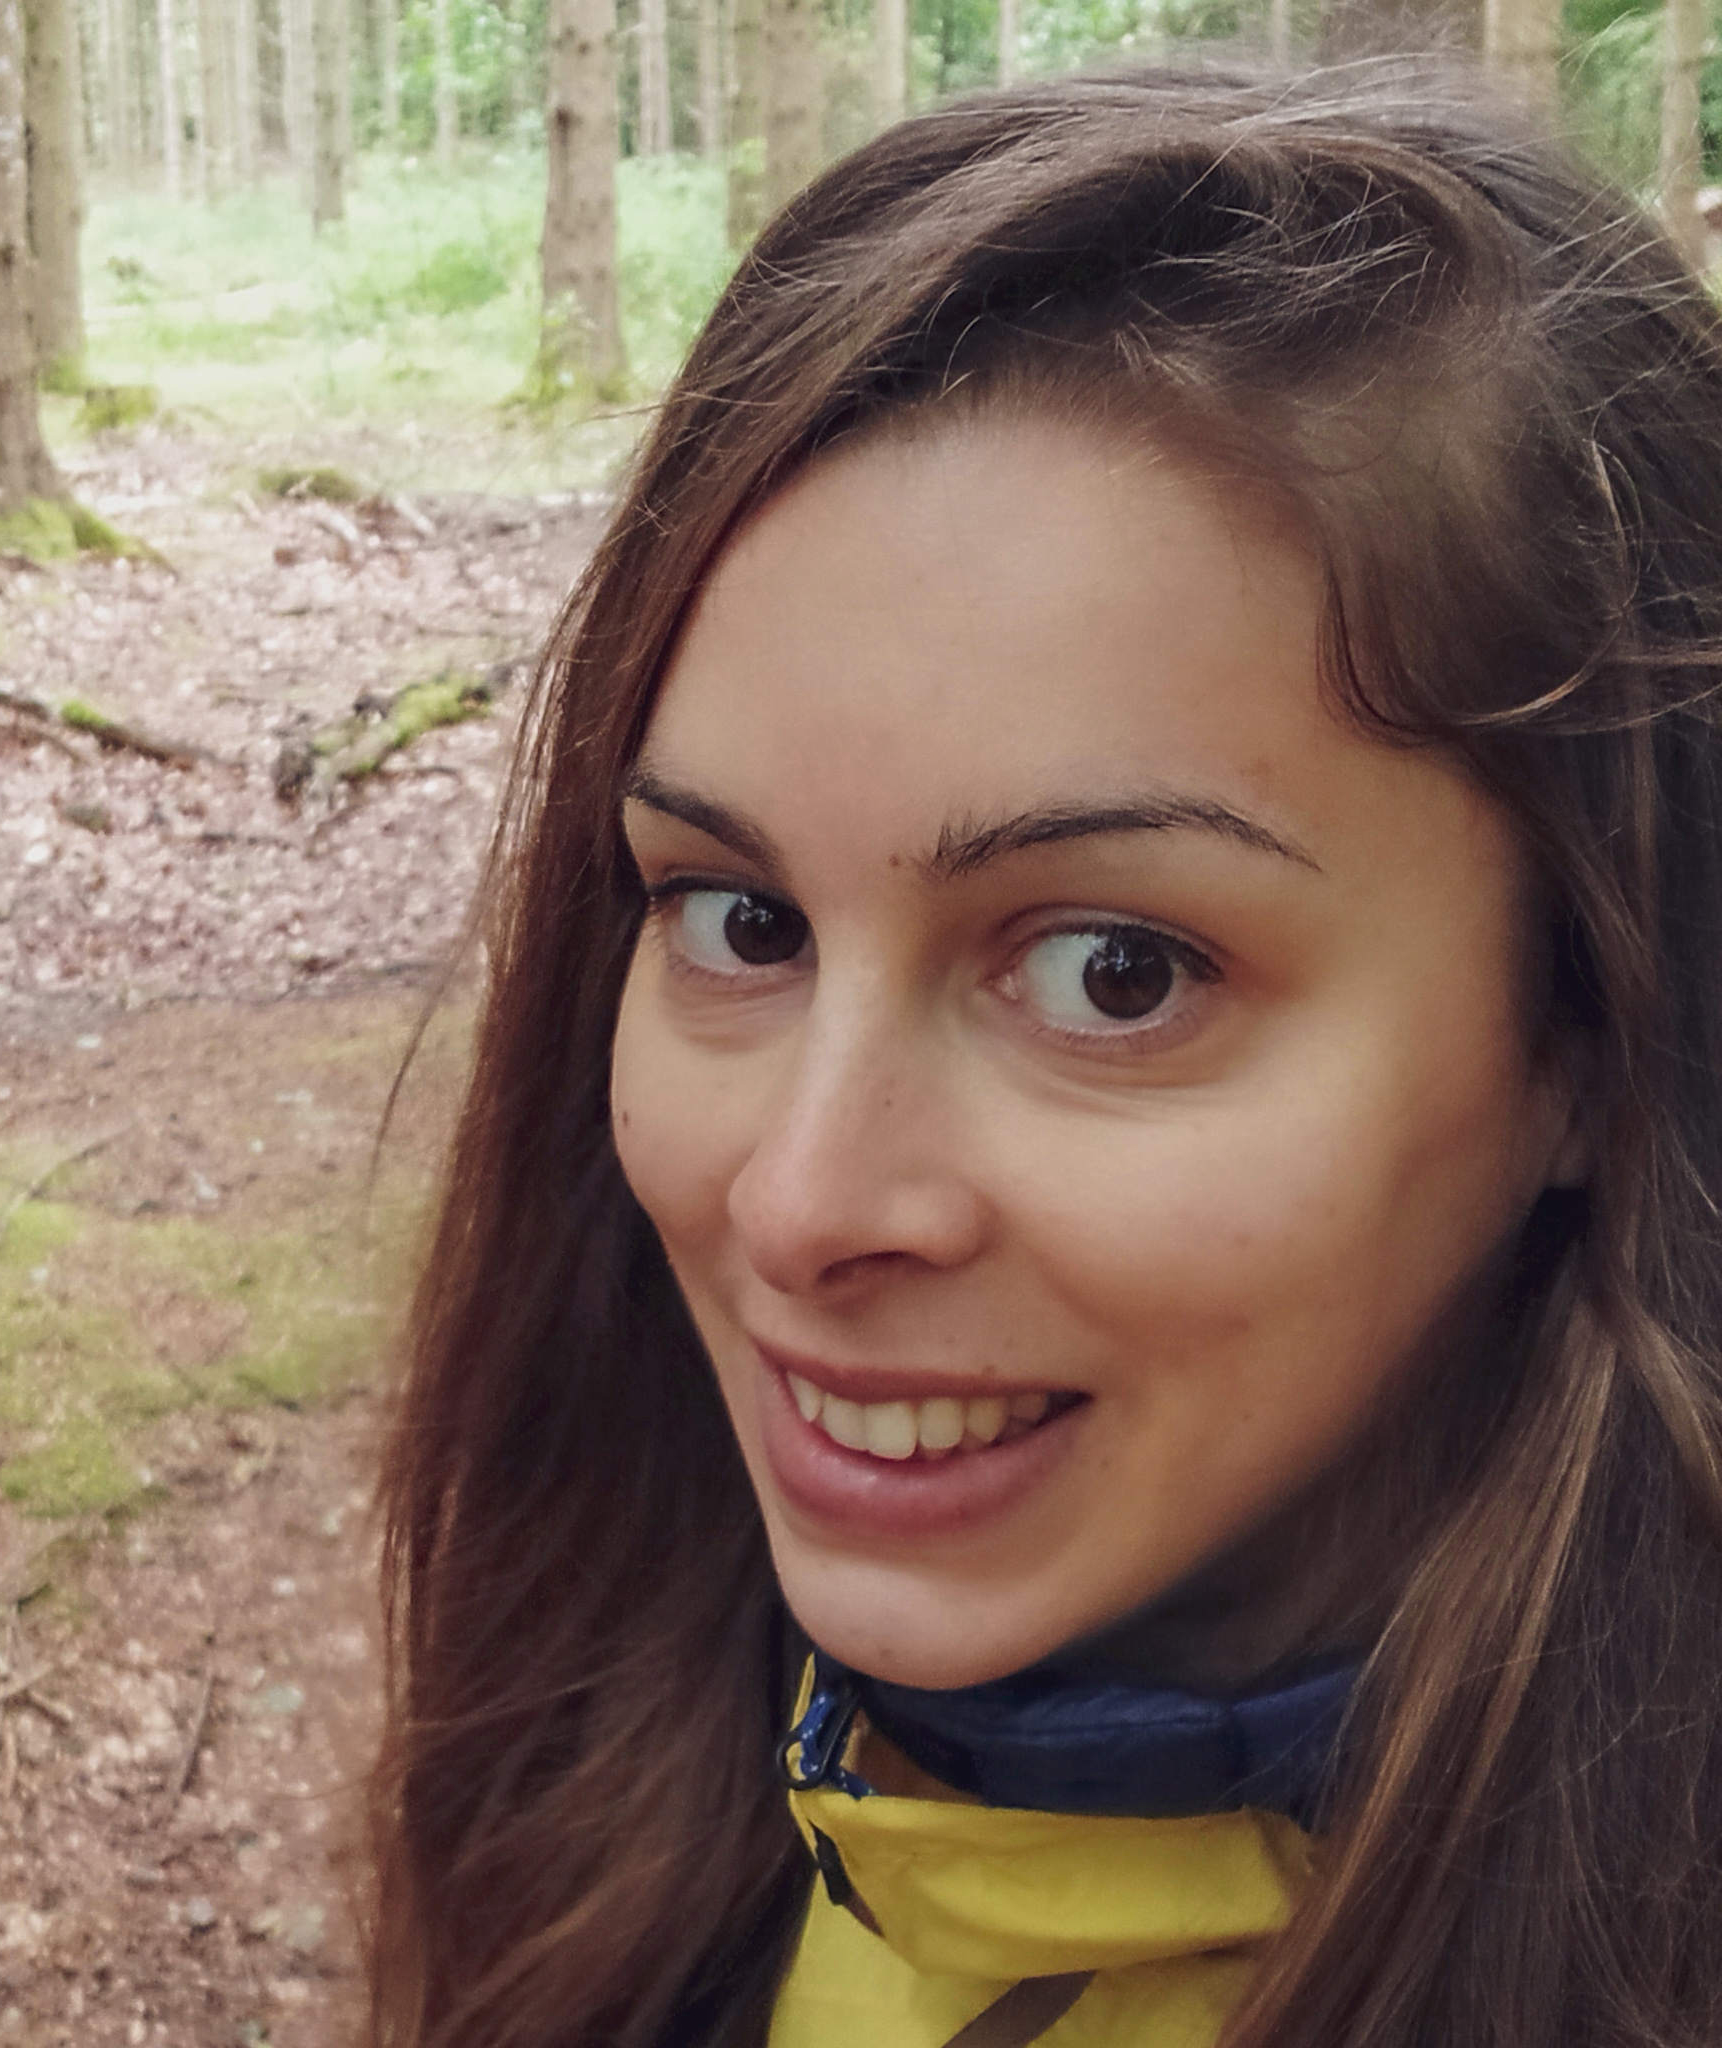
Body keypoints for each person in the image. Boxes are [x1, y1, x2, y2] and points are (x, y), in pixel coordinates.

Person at [363, 62, 1722, 2048]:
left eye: (1112, 972)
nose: (804, 1199)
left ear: (1591, 1045)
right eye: (738, 919)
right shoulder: (620, 1785)